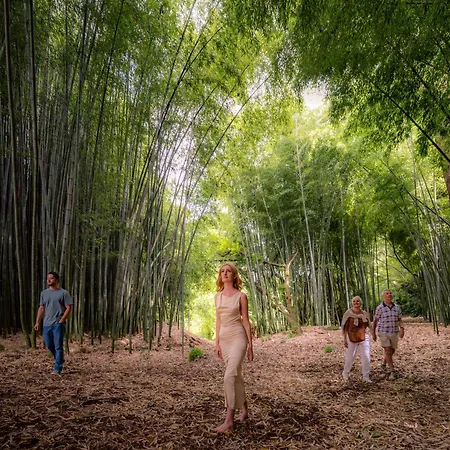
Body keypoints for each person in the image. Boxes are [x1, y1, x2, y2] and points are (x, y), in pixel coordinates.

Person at [214, 263, 253, 433]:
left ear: (234, 275)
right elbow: (218, 321)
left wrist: (250, 345)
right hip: (224, 340)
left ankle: (228, 421)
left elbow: (246, 321)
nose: (225, 273)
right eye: (222, 271)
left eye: (228, 271)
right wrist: (216, 342)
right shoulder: (217, 297)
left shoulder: (241, 296)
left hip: (238, 337)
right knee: (236, 376)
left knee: (229, 376)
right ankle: (244, 410)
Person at [34, 272, 73, 374]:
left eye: (51, 278)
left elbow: (69, 307)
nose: (49, 280)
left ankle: (57, 368)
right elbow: (41, 308)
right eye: (48, 278)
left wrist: (62, 320)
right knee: (48, 344)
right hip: (46, 323)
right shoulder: (44, 293)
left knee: (58, 346)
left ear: (56, 280)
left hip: (57, 323)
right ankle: (59, 359)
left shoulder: (64, 293)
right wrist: (37, 322)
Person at [373, 289, 404, 380]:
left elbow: (400, 319)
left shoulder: (397, 307)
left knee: (392, 351)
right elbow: (375, 320)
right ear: (383, 296)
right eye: (387, 293)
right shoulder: (379, 308)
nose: (389, 295)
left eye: (390, 293)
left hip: (394, 332)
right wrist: (373, 333)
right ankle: (392, 371)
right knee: (387, 351)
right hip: (383, 332)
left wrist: (402, 329)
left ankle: (384, 364)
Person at [341, 296, 372, 382]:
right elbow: (344, 326)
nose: (356, 303)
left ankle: (366, 376)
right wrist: (345, 339)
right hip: (351, 335)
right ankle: (345, 372)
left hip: (363, 335)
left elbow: (369, 325)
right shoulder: (348, 313)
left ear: (360, 302)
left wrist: (373, 334)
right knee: (350, 355)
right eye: (354, 301)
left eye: (357, 301)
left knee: (366, 355)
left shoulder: (364, 313)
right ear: (352, 303)